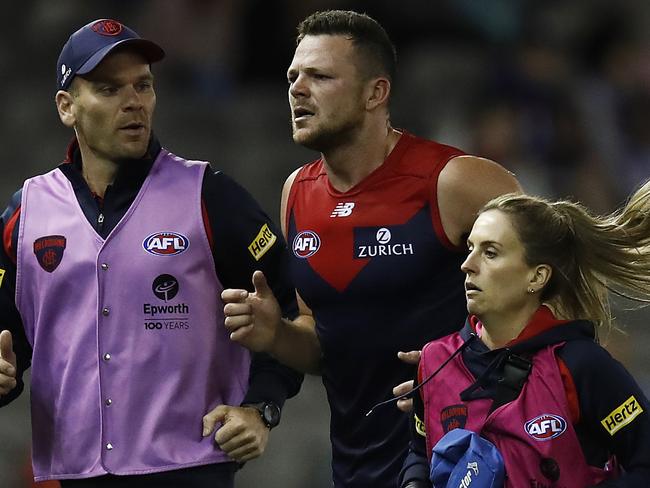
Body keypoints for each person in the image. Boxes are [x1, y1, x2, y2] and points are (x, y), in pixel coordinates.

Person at [221, 9, 522, 488]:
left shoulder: (456, 181)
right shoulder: (297, 192)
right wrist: (275, 334)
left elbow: (551, 285)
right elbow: (324, 343)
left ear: (375, 93)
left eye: (320, 76)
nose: (297, 89)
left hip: (467, 461)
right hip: (357, 467)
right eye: (293, 76)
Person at [0, 19, 302, 488]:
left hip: (192, 468)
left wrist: (262, 407)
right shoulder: (25, 213)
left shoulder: (210, 195)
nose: (133, 102)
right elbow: (8, 345)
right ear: (67, 107)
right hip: (74, 474)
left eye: (143, 85)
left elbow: (290, 306)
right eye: (108, 88)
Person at [400, 182, 650, 487]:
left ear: (537, 276)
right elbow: (420, 455)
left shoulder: (579, 366)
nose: (467, 265)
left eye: (490, 253)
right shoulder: (434, 362)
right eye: (470, 249)